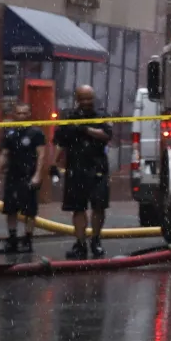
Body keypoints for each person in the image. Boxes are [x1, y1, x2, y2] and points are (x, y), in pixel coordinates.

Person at [54, 85, 112, 259]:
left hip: (98, 168)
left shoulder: (102, 115)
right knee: (78, 208)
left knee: (99, 207)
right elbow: (60, 142)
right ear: (77, 99)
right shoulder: (69, 117)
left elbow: (107, 135)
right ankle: (80, 244)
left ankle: (96, 241)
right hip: (76, 168)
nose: (87, 102)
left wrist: (85, 129)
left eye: (89, 98)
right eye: (83, 99)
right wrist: (53, 163)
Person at [0, 101, 48, 257]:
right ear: (14, 114)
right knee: (10, 209)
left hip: (29, 175)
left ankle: (27, 240)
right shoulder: (9, 133)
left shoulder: (36, 133)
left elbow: (42, 155)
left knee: (29, 211)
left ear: (29, 114)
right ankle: (12, 240)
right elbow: (4, 155)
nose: (22, 116)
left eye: (25, 113)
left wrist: (38, 174)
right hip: (13, 175)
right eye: (19, 113)